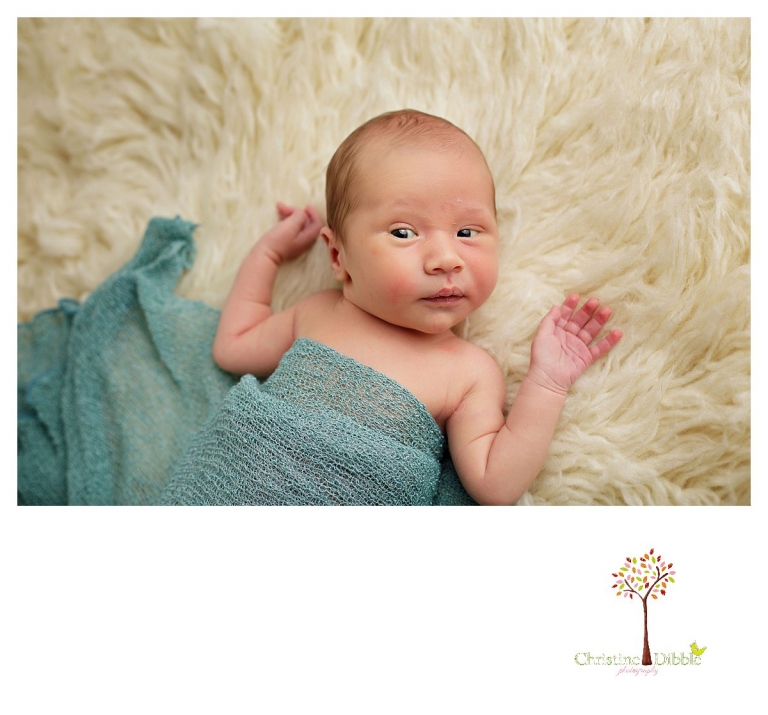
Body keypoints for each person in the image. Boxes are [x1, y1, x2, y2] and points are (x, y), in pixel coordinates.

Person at [211, 109, 622, 505]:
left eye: (466, 231)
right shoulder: (317, 313)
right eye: (404, 232)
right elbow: (233, 346)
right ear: (338, 256)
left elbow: (496, 483)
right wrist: (268, 254)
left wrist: (547, 383)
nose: (445, 258)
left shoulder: (469, 372)